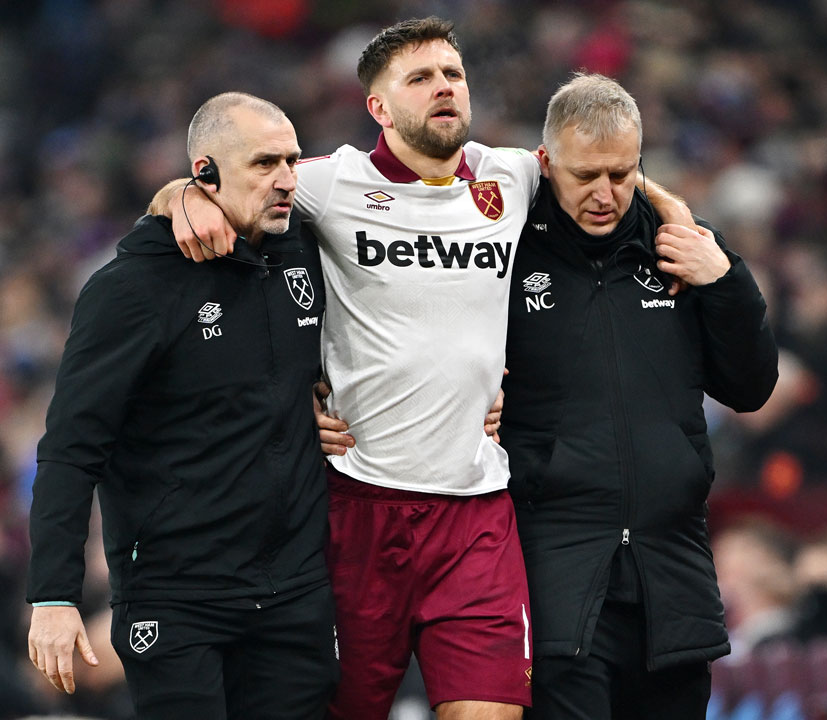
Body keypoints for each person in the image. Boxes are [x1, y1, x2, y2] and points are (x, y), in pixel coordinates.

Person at [149, 19, 698, 720]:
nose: (444, 87)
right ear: (379, 107)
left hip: (477, 512)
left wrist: (675, 209)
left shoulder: (512, 173)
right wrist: (183, 196)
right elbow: (231, 181)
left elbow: (598, 163)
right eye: (420, 78)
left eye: (453, 74)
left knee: (493, 711)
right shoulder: (330, 184)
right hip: (360, 505)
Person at [25, 92, 338, 719]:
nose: (286, 180)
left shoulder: (307, 248)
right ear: (205, 175)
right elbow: (69, 448)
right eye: (264, 164)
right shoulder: (131, 290)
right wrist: (54, 597)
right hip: (177, 596)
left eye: (293, 162)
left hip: (293, 590)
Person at [501, 74, 778, 719]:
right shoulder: (503, 248)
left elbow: (751, 387)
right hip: (560, 568)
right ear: (545, 164)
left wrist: (725, 281)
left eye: (623, 174)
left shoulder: (681, 244)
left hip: (671, 569)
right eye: (586, 175)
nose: (606, 195)